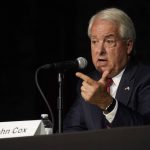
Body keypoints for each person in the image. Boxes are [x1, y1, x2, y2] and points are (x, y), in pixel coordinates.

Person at [63, 7, 150, 132]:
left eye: (109, 41)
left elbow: (145, 131)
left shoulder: (145, 78)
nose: (100, 50)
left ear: (128, 46)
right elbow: (71, 130)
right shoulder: (90, 82)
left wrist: (107, 103)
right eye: (94, 41)